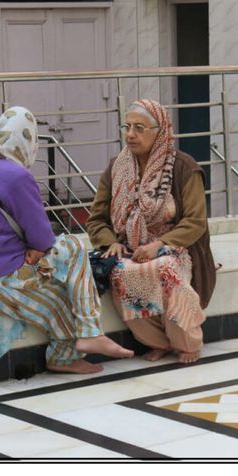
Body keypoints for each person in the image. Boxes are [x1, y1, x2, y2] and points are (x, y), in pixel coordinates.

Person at [0, 106, 135, 380]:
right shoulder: (17, 176)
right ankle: (91, 332)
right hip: (2, 277)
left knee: (59, 301)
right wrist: (37, 246)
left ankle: (64, 358)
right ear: (29, 141)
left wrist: (35, 248)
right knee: (73, 246)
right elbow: (43, 238)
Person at [89, 99, 217, 363]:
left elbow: (195, 221)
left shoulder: (183, 167)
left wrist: (159, 245)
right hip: (131, 250)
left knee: (166, 270)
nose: (130, 134)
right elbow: (96, 220)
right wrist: (110, 242)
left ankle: (187, 342)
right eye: (127, 126)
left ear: (160, 131)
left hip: (176, 249)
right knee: (123, 273)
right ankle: (157, 341)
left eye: (139, 128)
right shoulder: (117, 167)